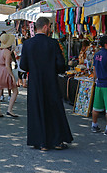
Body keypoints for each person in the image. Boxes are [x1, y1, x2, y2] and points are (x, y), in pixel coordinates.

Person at [20, 17, 73, 151]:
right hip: (50, 81)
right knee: (53, 110)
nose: (50, 29)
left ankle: (41, 142)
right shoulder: (53, 43)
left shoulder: (27, 44)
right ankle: (56, 141)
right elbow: (61, 65)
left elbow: (23, 65)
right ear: (45, 27)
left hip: (35, 82)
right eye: (49, 26)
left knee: (37, 110)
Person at [0, 34, 19, 117]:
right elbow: (7, 65)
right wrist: (12, 76)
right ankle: (9, 109)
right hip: (5, 70)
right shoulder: (7, 52)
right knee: (15, 91)